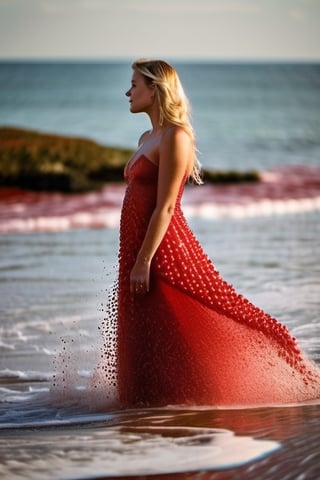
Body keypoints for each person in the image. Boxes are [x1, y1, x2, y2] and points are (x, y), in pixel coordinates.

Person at [102, 59, 320, 408]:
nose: (128, 92)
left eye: (134, 84)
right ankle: (149, 406)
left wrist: (144, 260)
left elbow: (167, 205)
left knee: (191, 315)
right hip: (136, 247)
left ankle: (195, 399)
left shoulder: (177, 136)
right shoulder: (146, 137)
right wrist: (136, 256)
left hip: (161, 248)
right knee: (148, 329)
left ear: (155, 89)